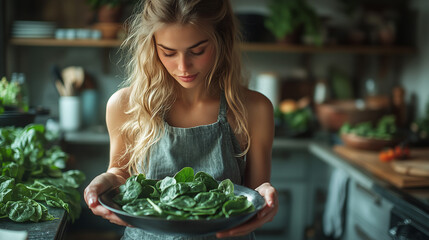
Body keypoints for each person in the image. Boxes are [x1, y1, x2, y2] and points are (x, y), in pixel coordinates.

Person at [84, 0, 278, 239]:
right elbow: (120, 173)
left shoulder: (254, 108)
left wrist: (266, 194)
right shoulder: (125, 104)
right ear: (151, 46)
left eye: (197, 51)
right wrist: (104, 181)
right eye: (168, 52)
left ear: (222, 39)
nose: (183, 66)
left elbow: (254, 194)